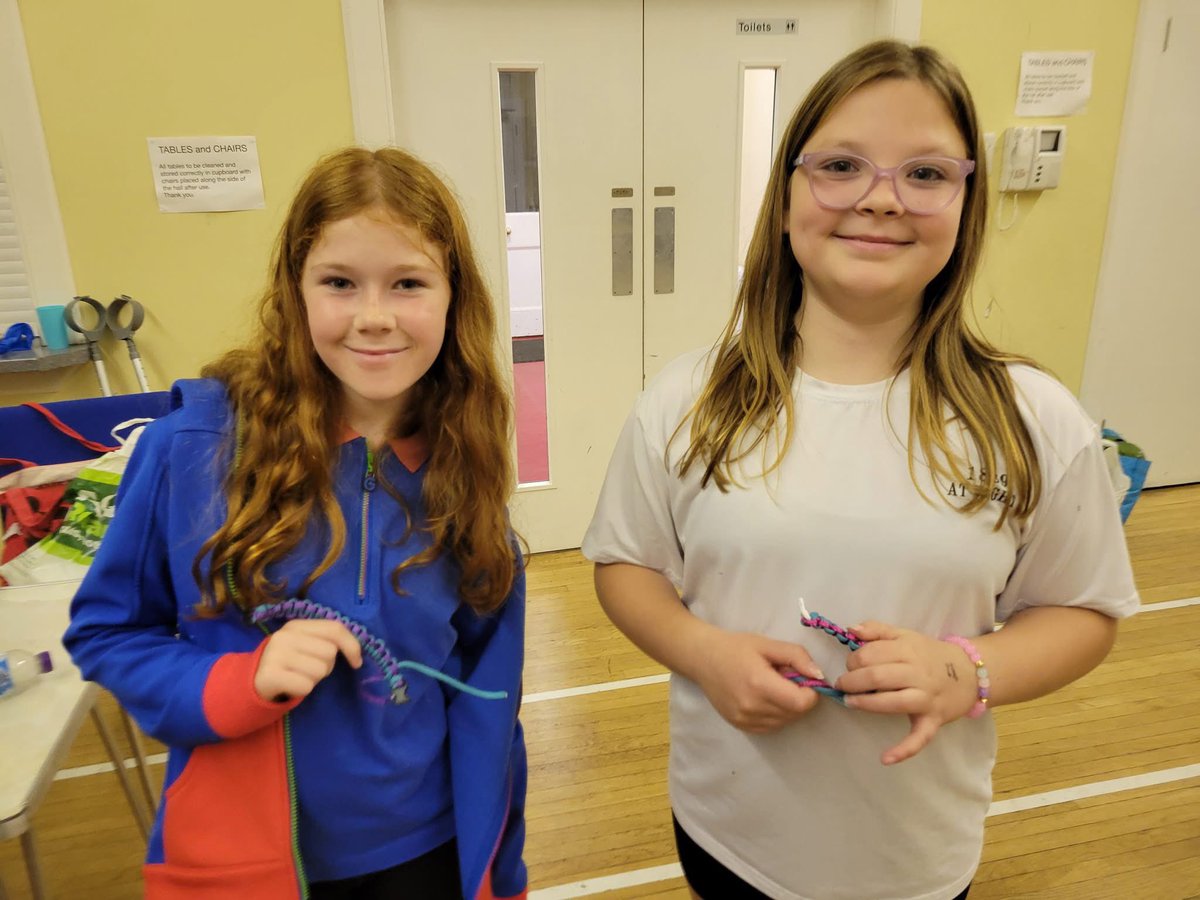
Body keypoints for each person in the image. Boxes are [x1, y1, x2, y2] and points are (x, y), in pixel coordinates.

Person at [583, 39, 1138, 900]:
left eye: (924, 174)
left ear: (966, 203)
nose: (881, 200)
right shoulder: (687, 398)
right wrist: (702, 651)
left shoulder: (1034, 420)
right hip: (728, 833)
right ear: (787, 196)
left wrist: (969, 672)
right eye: (842, 165)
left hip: (912, 859)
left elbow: (1083, 612)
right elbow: (627, 566)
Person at [64, 147, 528, 900]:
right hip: (252, 862)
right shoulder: (193, 450)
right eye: (340, 283)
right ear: (296, 290)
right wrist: (237, 681)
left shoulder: (464, 466)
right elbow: (107, 632)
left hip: (432, 851)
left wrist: (500, 871)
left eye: (408, 283)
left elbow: (489, 702)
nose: (374, 317)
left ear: (453, 296)